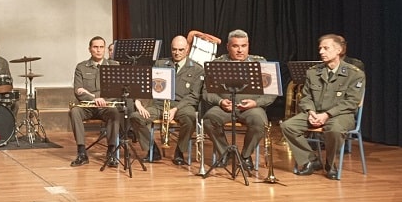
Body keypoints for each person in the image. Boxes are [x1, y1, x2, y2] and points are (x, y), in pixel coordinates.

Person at [280, 34, 365, 179]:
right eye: (320, 48)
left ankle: (330, 164)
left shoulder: (354, 74)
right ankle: (311, 160)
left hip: (341, 115)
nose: (321, 52)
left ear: (338, 50)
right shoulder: (313, 72)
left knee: (334, 129)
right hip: (315, 113)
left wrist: (326, 115)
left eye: (326, 48)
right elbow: (306, 97)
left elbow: (351, 102)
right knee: (288, 126)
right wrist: (310, 111)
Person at [201, 29, 277, 172]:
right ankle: (225, 152)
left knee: (260, 122)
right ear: (228, 47)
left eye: (243, 46)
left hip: (251, 107)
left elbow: (271, 92)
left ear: (248, 46)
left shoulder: (260, 63)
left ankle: (245, 156)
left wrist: (256, 103)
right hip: (225, 106)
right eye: (235, 46)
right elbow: (206, 92)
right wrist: (220, 102)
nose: (240, 50)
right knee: (209, 120)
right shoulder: (217, 63)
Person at [129, 35, 204, 165]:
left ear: (187, 49)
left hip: (181, 105)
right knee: (136, 117)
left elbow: (194, 96)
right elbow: (148, 85)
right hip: (159, 104)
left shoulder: (197, 69)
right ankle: (152, 149)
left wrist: (175, 109)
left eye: (181, 49)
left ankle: (180, 151)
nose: (177, 52)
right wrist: (138, 101)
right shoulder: (160, 64)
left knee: (190, 117)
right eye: (174, 49)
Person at [68, 36, 122, 167]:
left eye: (101, 47)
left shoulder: (114, 66)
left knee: (114, 112)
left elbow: (118, 90)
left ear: (105, 49)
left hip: (106, 106)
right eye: (95, 47)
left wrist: (104, 99)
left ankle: (111, 152)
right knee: (74, 111)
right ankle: (82, 153)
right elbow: (78, 91)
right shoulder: (81, 67)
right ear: (89, 49)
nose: (98, 50)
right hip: (88, 107)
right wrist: (94, 99)